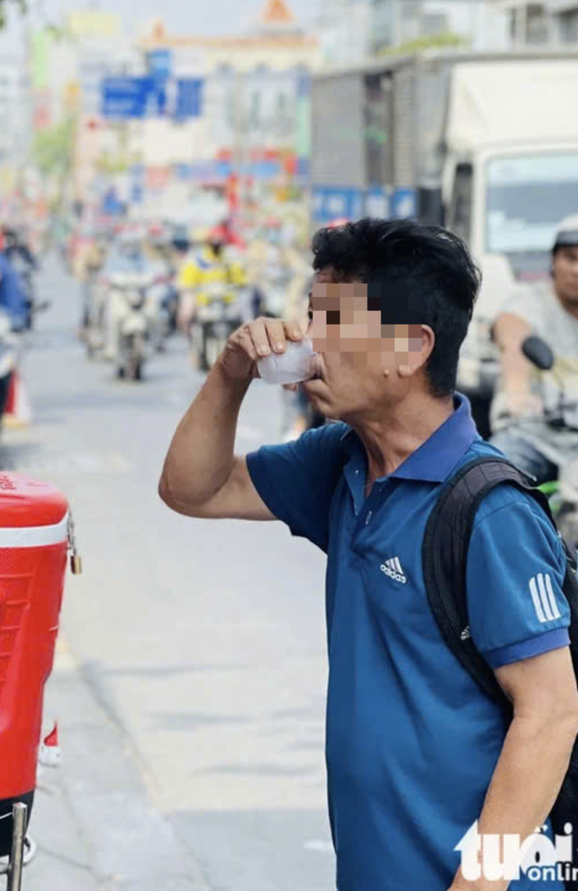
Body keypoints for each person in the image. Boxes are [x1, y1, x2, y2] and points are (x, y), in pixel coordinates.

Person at [158, 218, 578, 891]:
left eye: (331, 321)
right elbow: (192, 487)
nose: (306, 340)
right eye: (309, 315)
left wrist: (482, 881)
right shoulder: (342, 461)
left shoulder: (489, 509)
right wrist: (231, 371)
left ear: (410, 349)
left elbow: (551, 712)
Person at [489, 215, 578, 482]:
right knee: (489, 476)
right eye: (570, 258)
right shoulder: (530, 303)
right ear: (554, 261)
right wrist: (518, 389)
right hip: (532, 436)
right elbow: (512, 332)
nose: (576, 269)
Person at [177, 224, 248, 358]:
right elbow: (187, 280)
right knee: (186, 313)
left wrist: (241, 282)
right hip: (203, 301)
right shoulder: (198, 259)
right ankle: (192, 348)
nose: (216, 244)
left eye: (219, 241)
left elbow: (240, 278)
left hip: (226, 301)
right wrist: (190, 289)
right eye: (213, 241)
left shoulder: (229, 258)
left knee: (245, 315)